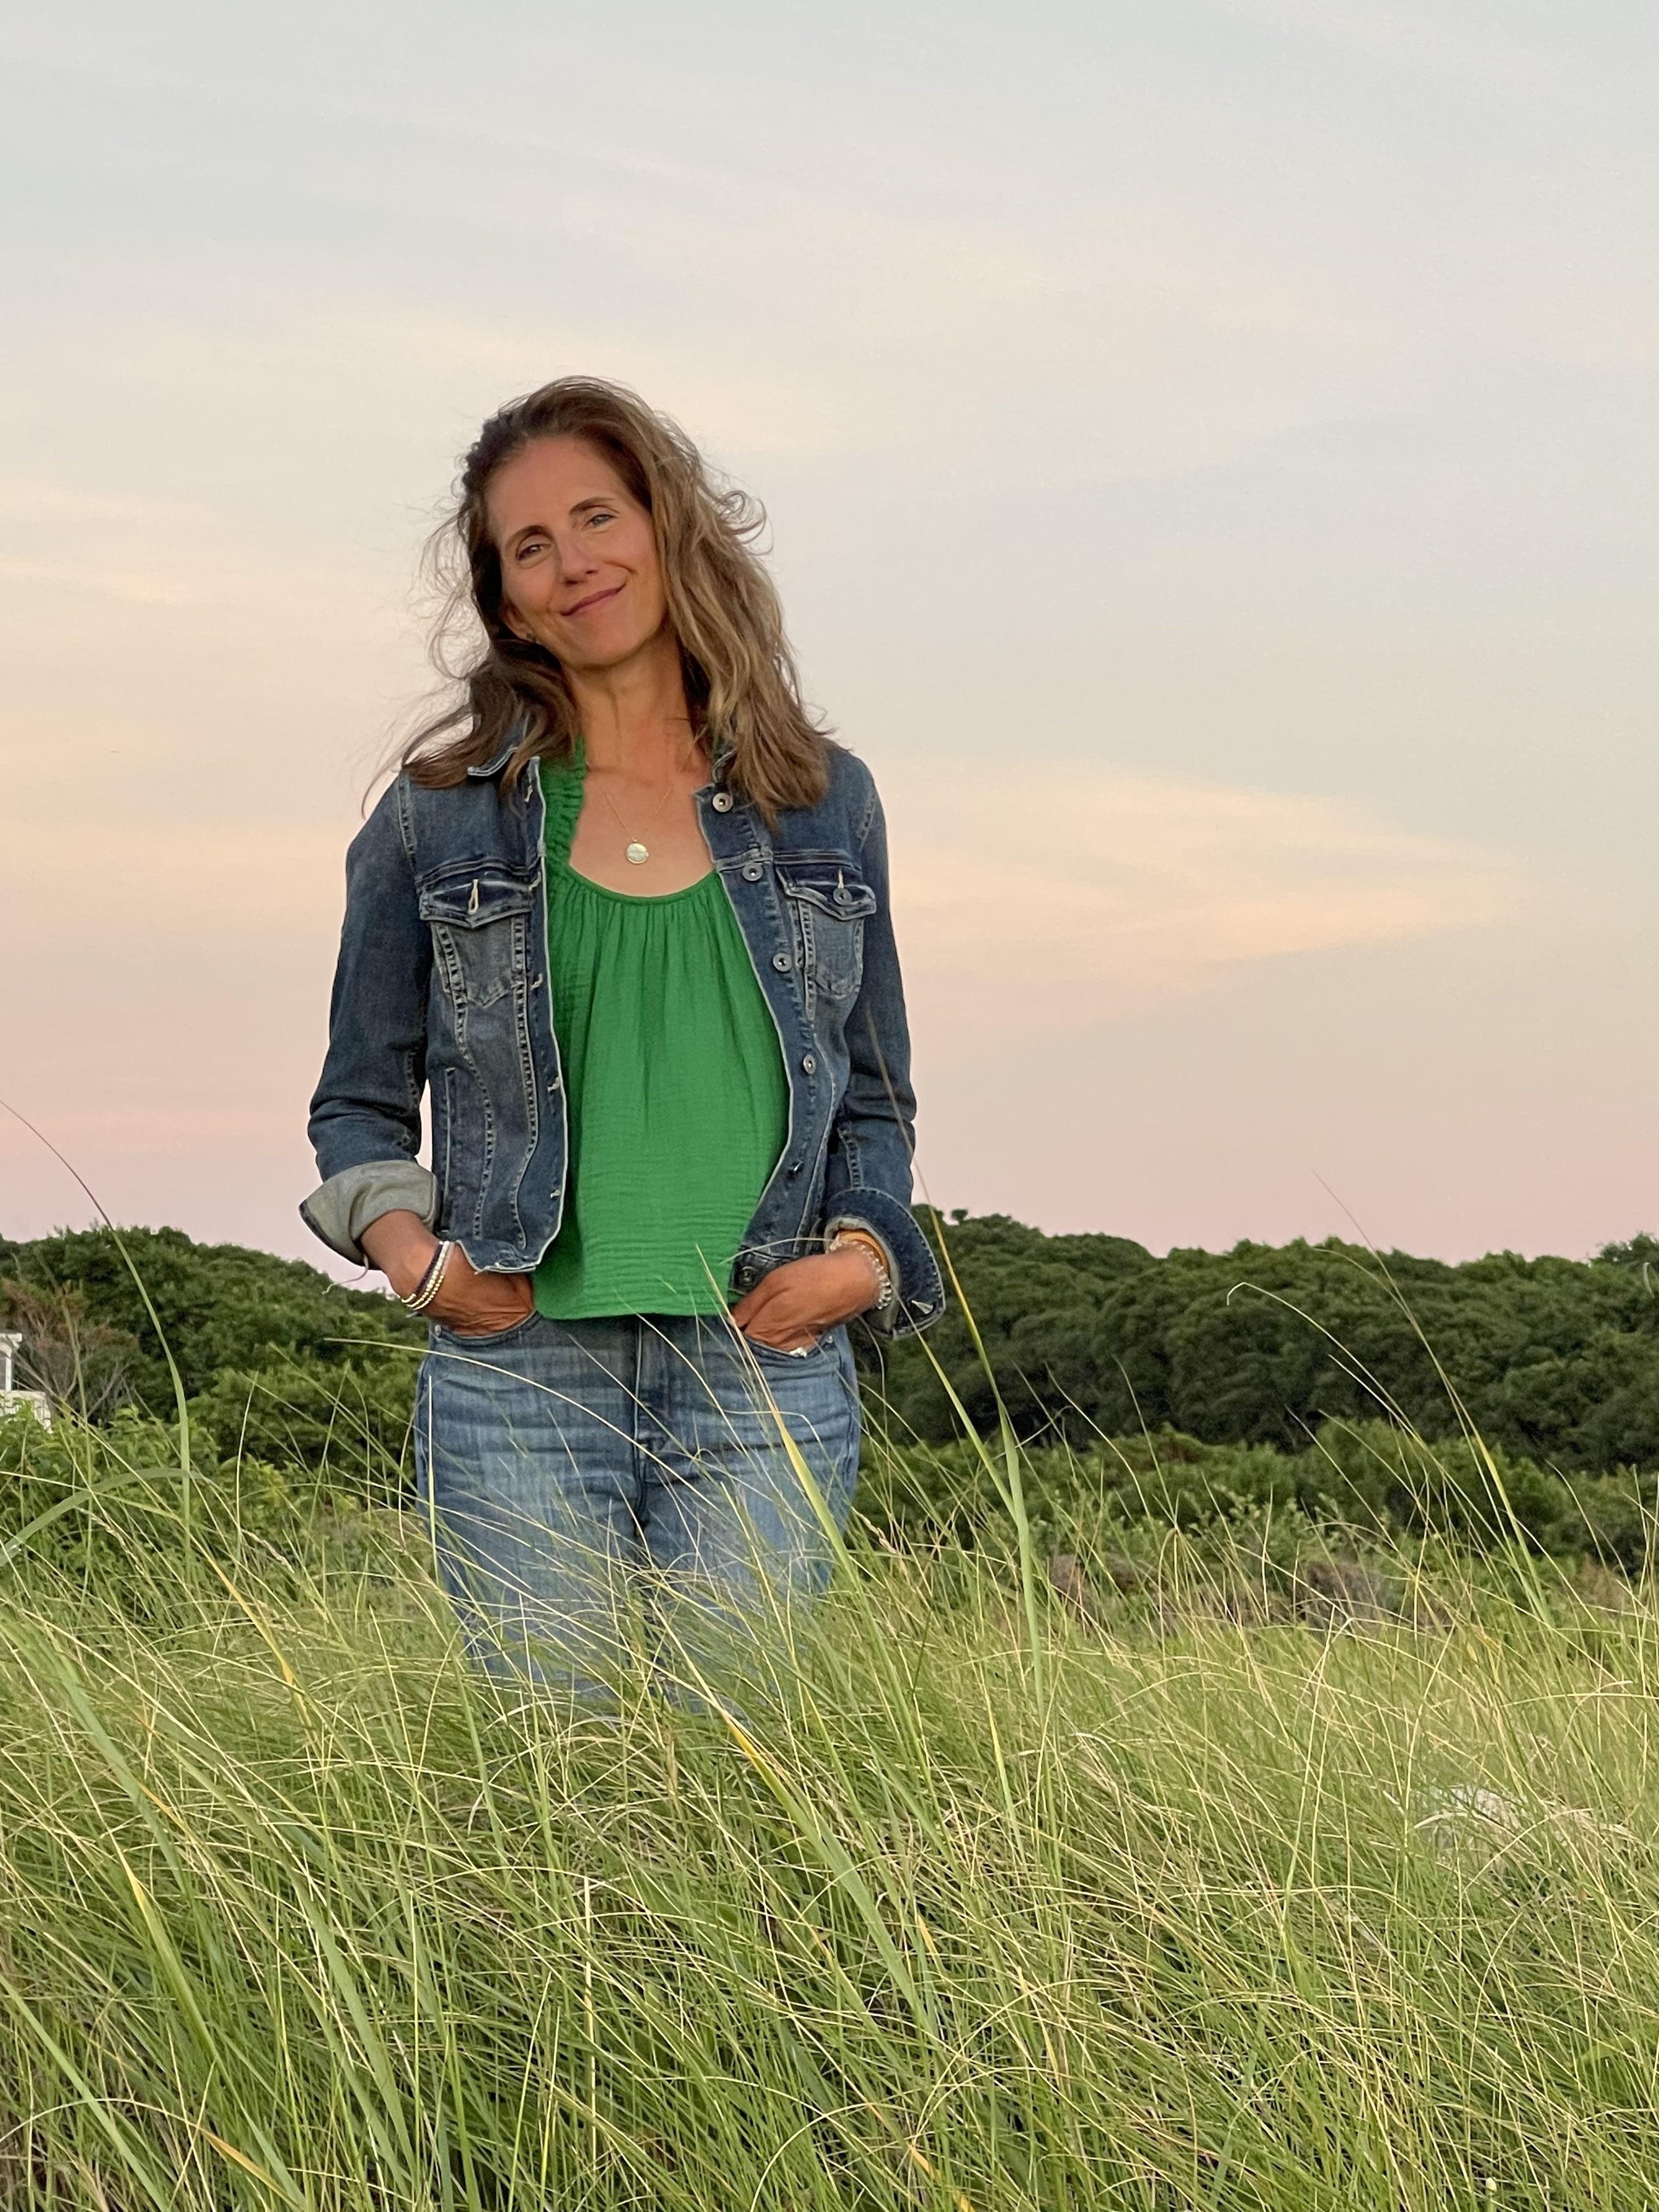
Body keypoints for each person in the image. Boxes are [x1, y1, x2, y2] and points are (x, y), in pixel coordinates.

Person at [301, 376, 943, 1686]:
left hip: (766, 1374)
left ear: (666, 524)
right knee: (557, 1799)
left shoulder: (822, 803)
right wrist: (421, 1265)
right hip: (518, 1376)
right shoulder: (437, 820)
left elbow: (873, 1095)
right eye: (528, 546)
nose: (571, 564)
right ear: (502, 595)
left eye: (597, 517)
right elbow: (357, 1104)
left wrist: (864, 1261)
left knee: (744, 1792)